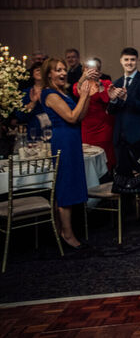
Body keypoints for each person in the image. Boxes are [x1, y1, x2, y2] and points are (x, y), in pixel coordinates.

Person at [41, 57, 96, 249]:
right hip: (63, 141)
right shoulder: (49, 94)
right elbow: (72, 117)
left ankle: (60, 230)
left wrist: (86, 95)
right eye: (58, 70)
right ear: (49, 74)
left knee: (69, 184)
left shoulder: (61, 92)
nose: (63, 73)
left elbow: (81, 115)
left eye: (64, 69)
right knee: (66, 187)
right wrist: (83, 95)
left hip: (72, 139)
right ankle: (67, 234)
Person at [107, 47, 140, 217]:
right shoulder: (117, 81)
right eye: (126, 60)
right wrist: (113, 99)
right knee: (123, 175)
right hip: (120, 137)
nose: (129, 63)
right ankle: (127, 212)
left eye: (132, 60)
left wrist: (127, 98)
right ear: (121, 61)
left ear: (137, 61)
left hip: (137, 136)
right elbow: (111, 111)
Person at [72, 58, 116, 172]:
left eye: (93, 67)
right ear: (83, 70)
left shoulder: (106, 83)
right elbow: (76, 92)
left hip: (104, 125)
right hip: (87, 126)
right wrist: (83, 78)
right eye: (87, 67)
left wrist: (99, 83)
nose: (90, 70)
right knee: (87, 153)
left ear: (99, 71)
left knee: (106, 153)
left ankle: (107, 176)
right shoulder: (80, 84)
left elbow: (106, 100)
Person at [16, 62, 46, 140]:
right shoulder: (25, 92)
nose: (40, 72)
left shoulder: (52, 91)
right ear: (32, 74)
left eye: (43, 70)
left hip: (50, 130)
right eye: (37, 70)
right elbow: (20, 116)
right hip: (33, 130)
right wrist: (33, 102)